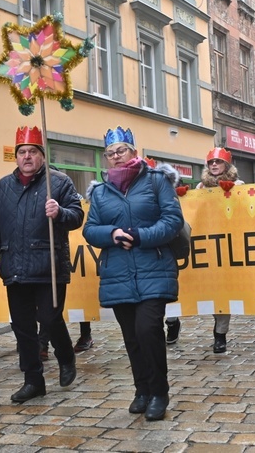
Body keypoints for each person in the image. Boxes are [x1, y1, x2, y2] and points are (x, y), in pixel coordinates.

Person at [83, 126, 184, 421]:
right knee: (131, 337)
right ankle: (141, 390)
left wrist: (140, 236)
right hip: (118, 273)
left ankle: (159, 391)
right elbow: (90, 229)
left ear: (133, 151)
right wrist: (111, 233)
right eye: (110, 153)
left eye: (121, 151)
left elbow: (172, 219)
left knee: (148, 329)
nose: (115, 157)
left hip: (153, 267)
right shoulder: (100, 192)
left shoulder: (156, 181)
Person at [0, 126, 84, 403]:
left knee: (49, 318)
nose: (27, 157)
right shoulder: (3, 186)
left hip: (48, 265)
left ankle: (65, 356)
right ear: (16, 157)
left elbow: (77, 216)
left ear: (41, 155)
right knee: (22, 327)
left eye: (32, 152)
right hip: (14, 264)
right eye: (22, 152)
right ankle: (33, 380)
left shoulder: (59, 183)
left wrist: (60, 212)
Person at [195, 147, 243, 353]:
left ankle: (220, 335)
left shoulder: (238, 185)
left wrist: (233, 194)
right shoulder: (200, 186)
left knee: (223, 292)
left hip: (230, 243)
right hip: (207, 244)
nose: (214, 165)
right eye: (211, 162)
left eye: (218, 162)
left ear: (227, 165)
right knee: (210, 290)